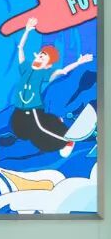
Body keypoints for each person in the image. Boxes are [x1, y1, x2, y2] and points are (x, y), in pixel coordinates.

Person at [10, 17, 92, 157]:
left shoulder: (44, 73)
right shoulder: (25, 68)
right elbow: (21, 48)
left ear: (47, 65)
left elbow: (62, 71)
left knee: (41, 130)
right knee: (19, 131)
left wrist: (79, 62)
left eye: (43, 58)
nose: (39, 58)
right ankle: (52, 120)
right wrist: (27, 31)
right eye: (40, 55)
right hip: (19, 108)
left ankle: (66, 141)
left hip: (32, 109)